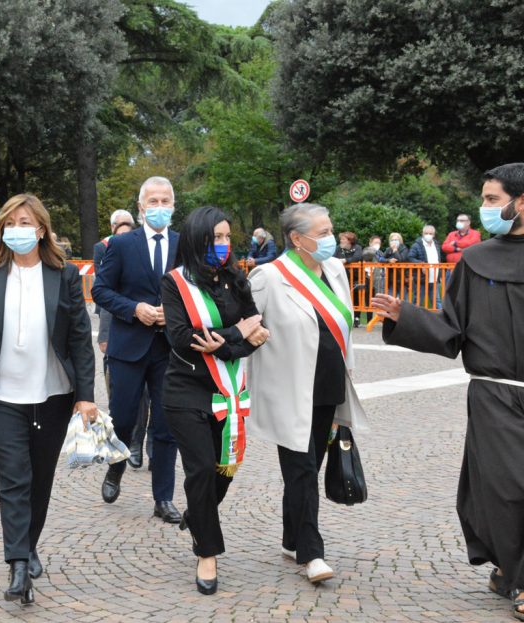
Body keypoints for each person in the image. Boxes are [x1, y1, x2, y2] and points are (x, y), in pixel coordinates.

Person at [372, 163, 524, 622]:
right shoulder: (476, 263)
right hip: (497, 393)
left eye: (493, 200)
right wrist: (404, 316)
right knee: (506, 487)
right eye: (485, 199)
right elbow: (450, 330)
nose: (484, 209)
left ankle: (513, 573)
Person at [0, 193, 96, 605]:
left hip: (51, 394)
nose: (17, 231)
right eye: (10, 224)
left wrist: (86, 396)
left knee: (40, 480)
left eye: (25, 223)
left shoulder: (64, 275)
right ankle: (18, 565)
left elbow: (80, 340)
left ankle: (28, 543)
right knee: (14, 478)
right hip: (0, 396)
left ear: (42, 229)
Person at [246, 203, 367, 584]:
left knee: (309, 468)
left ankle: (290, 536)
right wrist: (250, 334)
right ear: (297, 239)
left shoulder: (335, 269)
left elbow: (343, 323)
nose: (331, 239)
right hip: (289, 391)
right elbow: (246, 325)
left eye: (331, 229)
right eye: (323, 232)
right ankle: (311, 554)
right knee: (300, 471)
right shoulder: (268, 276)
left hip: (329, 387)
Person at [162, 206, 268, 595]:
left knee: (227, 468)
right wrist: (237, 333)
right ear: (197, 240)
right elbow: (180, 338)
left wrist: (229, 340)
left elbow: (255, 329)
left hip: (230, 391)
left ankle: (197, 513)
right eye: (215, 239)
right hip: (186, 391)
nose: (222, 245)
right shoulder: (175, 283)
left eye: (226, 238)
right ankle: (207, 553)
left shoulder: (237, 280)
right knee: (202, 470)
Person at [90, 176, 181, 522]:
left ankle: (163, 499)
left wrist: (172, 314)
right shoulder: (122, 244)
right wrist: (134, 309)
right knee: (123, 418)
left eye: (165, 201)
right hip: (128, 346)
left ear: (173, 205)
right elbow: (101, 291)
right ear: (141, 206)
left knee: (166, 423)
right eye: (152, 201)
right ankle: (116, 467)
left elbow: (194, 293)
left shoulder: (182, 244)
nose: (159, 207)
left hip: (169, 347)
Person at [95, 215, 151, 468]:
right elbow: (104, 298)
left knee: (156, 404)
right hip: (125, 338)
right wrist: (104, 336)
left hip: (158, 343)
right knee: (127, 406)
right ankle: (125, 451)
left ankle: (151, 451)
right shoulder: (109, 250)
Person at [407, 224, 444, 307]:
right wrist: (421, 264)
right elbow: (410, 257)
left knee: (437, 301)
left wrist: (440, 274)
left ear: (434, 235)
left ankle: (441, 319)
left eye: (430, 234)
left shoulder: (436, 245)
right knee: (418, 301)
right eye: (426, 233)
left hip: (434, 278)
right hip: (422, 278)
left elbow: (438, 260)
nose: (428, 235)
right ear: (422, 234)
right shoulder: (416, 245)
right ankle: (413, 318)